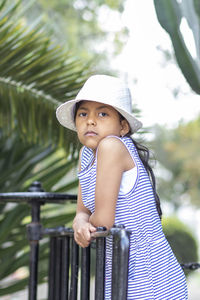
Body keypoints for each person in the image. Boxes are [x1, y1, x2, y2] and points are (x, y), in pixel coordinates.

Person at [56, 74, 188, 299]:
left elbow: (104, 222)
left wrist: (86, 224)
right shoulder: (87, 154)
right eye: (83, 113)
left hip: (149, 274)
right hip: (119, 268)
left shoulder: (111, 146)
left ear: (123, 126)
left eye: (103, 113)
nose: (90, 120)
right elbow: (83, 211)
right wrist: (79, 222)